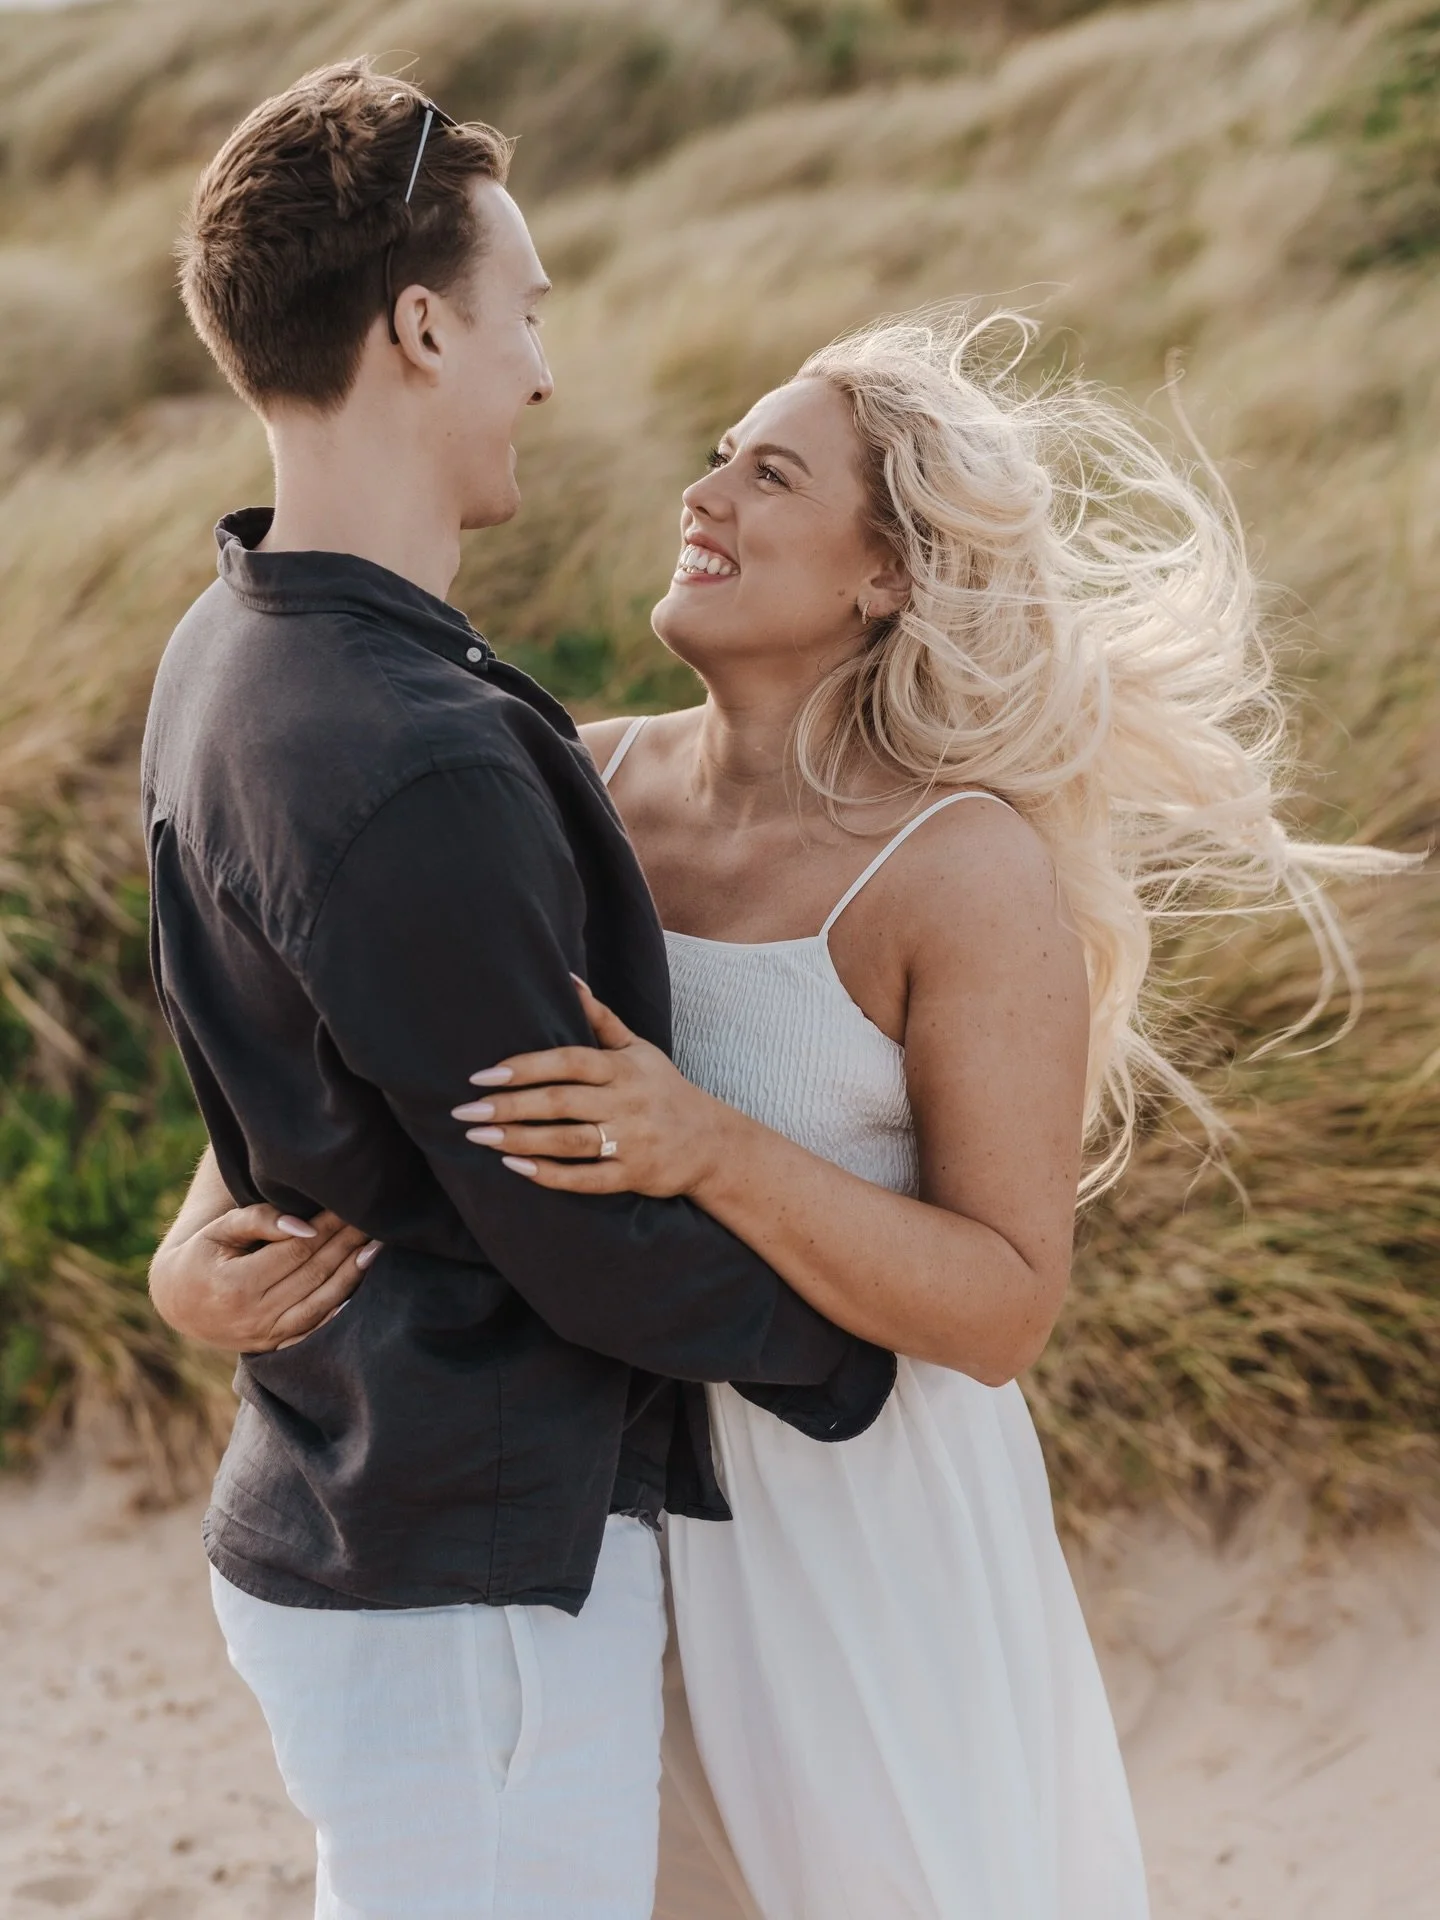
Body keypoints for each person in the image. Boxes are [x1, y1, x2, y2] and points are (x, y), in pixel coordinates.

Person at [152, 206, 1401, 1920]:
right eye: (715, 457)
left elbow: (1002, 1301)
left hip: (865, 1528)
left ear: (887, 574)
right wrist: (195, 1231)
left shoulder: (963, 872)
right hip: (612, 1513)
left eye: (771, 480)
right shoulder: (579, 775)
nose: (707, 496)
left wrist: (711, 1149)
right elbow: (366, 1030)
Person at [142, 58, 896, 1920]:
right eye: (523, 311)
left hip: (357, 1493)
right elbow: (572, 1221)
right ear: (418, 325)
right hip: (452, 1561)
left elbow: (305, 1046)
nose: (543, 370)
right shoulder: (406, 747)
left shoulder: (228, 644)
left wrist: (196, 1228)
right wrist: (870, 1360)